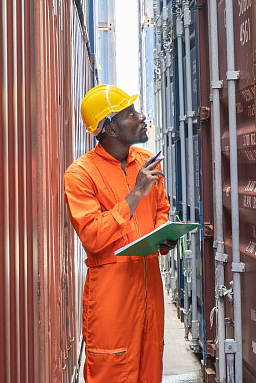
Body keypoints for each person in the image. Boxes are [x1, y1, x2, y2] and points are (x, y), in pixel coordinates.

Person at [64, 84, 177, 383]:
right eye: (131, 113)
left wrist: (164, 236)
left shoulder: (146, 162)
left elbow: (161, 210)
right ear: (111, 129)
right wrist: (135, 193)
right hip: (112, 298)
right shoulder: (80, 175)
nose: (141, 117)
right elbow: (92, 236)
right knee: (112, 372)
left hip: (150, 289)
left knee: (150, 371)